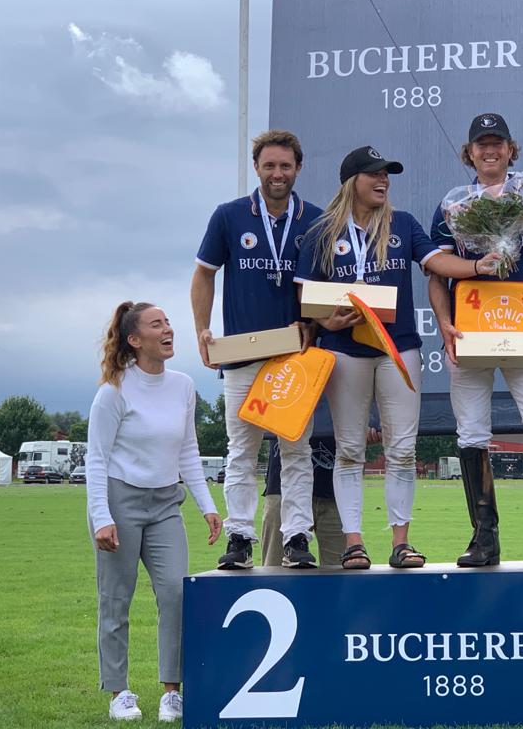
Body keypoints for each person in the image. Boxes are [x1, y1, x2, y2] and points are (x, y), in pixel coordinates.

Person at [295, 145, 500, 569]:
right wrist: (327, 323)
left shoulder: (402, 224)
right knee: (349, 449)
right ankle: (355, 542)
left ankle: (401, 542)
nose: (383, 180)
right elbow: (304, 296)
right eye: (374, 174)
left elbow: (438, 262)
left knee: (402, 450)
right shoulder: (322, 232)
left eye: (387, 174)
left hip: (399, 348)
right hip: (344, 351)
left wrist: (478, 267)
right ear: (353, 180)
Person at [429, 113, 523, 567]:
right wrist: (443, 323)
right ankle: (483, 538)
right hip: (470, 332)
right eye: (481, 144)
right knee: (471, 431)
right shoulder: (452, 206)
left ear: (512, 150)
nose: (489, 150)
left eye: (498, 143)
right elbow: (435, 271)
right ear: (468, 153)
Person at [192, 129, 322, 570]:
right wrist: (202, 330)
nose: (278, 173)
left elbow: (324, 287)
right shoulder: (229, 216)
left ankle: (298, 537)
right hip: (242, 355)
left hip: (294, 357)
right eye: (269, 165)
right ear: (257, 168)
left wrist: (311, 323)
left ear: (298, 168)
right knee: (241, 450)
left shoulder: (315, 219)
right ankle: (240, 540)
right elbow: (204, 273)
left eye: (286, 165)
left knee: (296, 449)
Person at [86, 302, 222, 722]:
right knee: (116, 600)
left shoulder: (183, 386)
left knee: (177, 595)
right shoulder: (113, 390)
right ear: (134, 339)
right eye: (156, 324)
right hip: (120, 502)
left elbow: (187, 450)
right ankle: (119, 692)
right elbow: (96, 458)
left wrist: (207, 506)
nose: (168, 330)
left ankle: (171, 692)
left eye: (168, 323)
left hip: (166, 504)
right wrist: (101, 517)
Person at [260, 423, 381, 568]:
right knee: (275, 576)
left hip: (337, 489)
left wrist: (368, 425)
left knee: (342, 576)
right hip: (284, 488)